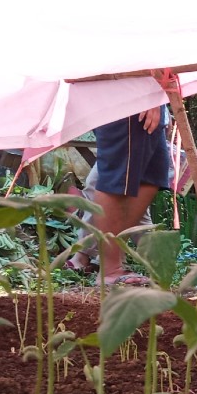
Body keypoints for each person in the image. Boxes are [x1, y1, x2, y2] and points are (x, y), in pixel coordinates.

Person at [70, 107, 170, 285]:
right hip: (133, 92)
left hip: (152, 94)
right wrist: (148, 99)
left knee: (150, 176)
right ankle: (110, 270)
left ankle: (110, 260)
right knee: (117, 177)